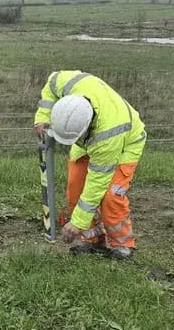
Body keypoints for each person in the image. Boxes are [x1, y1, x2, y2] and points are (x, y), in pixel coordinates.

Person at [34, 70, 147, 259]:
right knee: (74, 189)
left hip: (126, 143)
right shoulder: (69, 84)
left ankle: (122, 244)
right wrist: (43, 116)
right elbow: (51, 84)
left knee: (111, 195)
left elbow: (96, 183)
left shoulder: (107, 136)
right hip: (88, 143)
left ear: (85, 127)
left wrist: (77, 222)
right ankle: (93, 239)